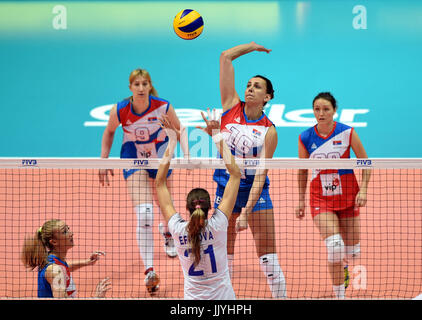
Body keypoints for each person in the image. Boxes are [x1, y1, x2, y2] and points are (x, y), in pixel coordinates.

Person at [98, 68, 189, 293]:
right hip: (133, 155)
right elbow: (109, 132)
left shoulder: (163, 106)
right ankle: (149, 270)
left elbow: (181, 129)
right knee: (146, 212)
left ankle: (168, 233)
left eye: (144, 84)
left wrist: (186, 156)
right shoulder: (120, 110)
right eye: (136, 84)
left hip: (159, 154)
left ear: (150, 86)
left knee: (165, 207)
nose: (140, 88)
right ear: (130, 87)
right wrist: (103, 160)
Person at [213, 42, 287, 298]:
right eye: (248, 84)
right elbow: (225, 56)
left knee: (268, 260)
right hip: (226, 188)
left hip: (255, 191)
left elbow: (261, 176)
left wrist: (246, 211)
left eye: (257, 86)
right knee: (224, 256)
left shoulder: (270, 131)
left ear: (267, 97)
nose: (250, 88)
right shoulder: (230, 106)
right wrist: (253, 47)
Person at [155, 111, 241, 299]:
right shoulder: (218, 225)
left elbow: (159, 183)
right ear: (210, 206)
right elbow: (235, 174)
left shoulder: (177, 230)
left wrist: (171, 141)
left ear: (187, 207)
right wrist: (217, 134)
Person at [295, 92, 371, 299]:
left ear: (334, 111)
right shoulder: (305, 137)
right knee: (335, 246)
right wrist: (300, 199)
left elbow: (366, 163)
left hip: (348, 198)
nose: (321, 113)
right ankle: (340, 295)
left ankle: (343, 266)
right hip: (321, 199)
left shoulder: (347, 133)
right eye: (317, 109)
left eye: (326, 109)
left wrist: (363, 190)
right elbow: (302, 171)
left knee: (353, 252)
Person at [21, 219, 111, 298]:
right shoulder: (55, 271)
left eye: (68, 229)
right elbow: (58, 271)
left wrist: (87, 262)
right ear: (54, 241)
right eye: (64, 232)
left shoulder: (51, 259)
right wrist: (96, 298)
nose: (71, 234)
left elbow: (65, 266)